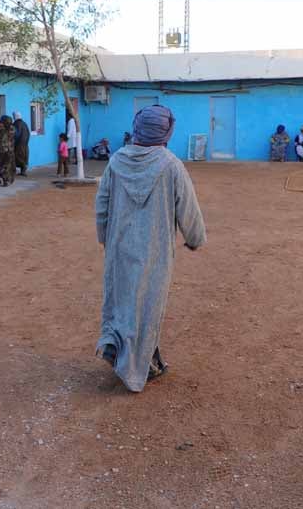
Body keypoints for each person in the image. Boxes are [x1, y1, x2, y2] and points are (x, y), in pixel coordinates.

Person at [95, 105, 206, 392]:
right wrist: (195, 238)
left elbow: (102, 204)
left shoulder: (116, 161)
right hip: (154, 251)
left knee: (121, 301)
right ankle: (137, 369)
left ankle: (119, 348)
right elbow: (188, 209)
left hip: (119, 247)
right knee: (147, 306)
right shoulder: (170, 165)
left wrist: (105, 237)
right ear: (166, 132)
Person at [12, 111, 30, 176]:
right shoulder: (24, 124)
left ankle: (15, 171)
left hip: (18, 145)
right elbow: (28, 134)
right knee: (24, 157)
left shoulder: (16, 124)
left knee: (16, 158)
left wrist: (13, 142)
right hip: (25, 144)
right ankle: (23, 171)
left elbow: (16, 134)